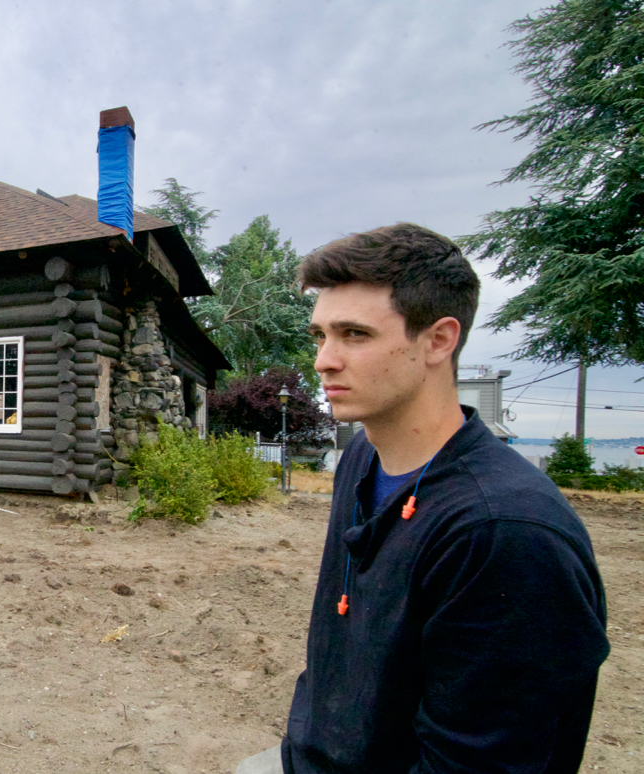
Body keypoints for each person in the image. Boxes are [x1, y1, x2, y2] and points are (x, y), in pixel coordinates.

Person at [237, 224, 609, 774]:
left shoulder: (504, 532)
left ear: (438, 340)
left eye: (354, 335)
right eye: (320, 336)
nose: (324, 361)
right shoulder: (362, 459)